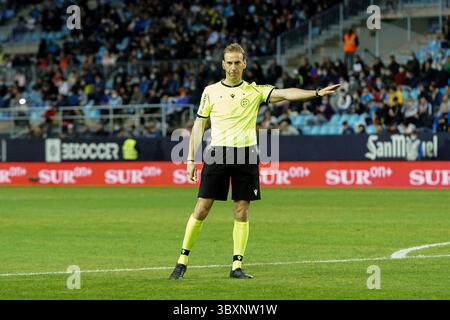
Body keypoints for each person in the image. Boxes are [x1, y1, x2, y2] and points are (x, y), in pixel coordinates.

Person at [169, 43, 340, 280]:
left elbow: (286, 92)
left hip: (246, 156)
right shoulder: (210, 91)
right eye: (229, 62)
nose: (233, 67)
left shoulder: (254, 91)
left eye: (237, 62)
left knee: (242, 210)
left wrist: (317, 92)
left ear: (244, 64)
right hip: (217, 153)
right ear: (223, 64)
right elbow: (199, 124)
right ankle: (182, 261)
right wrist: (190, 158)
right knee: (202, 207)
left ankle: (236, 266)